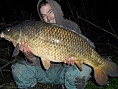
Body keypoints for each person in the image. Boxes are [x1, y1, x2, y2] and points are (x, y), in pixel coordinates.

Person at [11, 0, 94, 89]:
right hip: (43, 73)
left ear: (57, 10)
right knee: (18, 69)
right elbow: (36, 63)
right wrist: (29, 56)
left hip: (64, 73)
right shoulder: (37, 29)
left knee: (84, 69)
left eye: (50, 12)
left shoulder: (71, 26)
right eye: (44, 15)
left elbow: (75, 58)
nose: (48, 18)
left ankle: (66, 85)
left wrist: (69, 62)